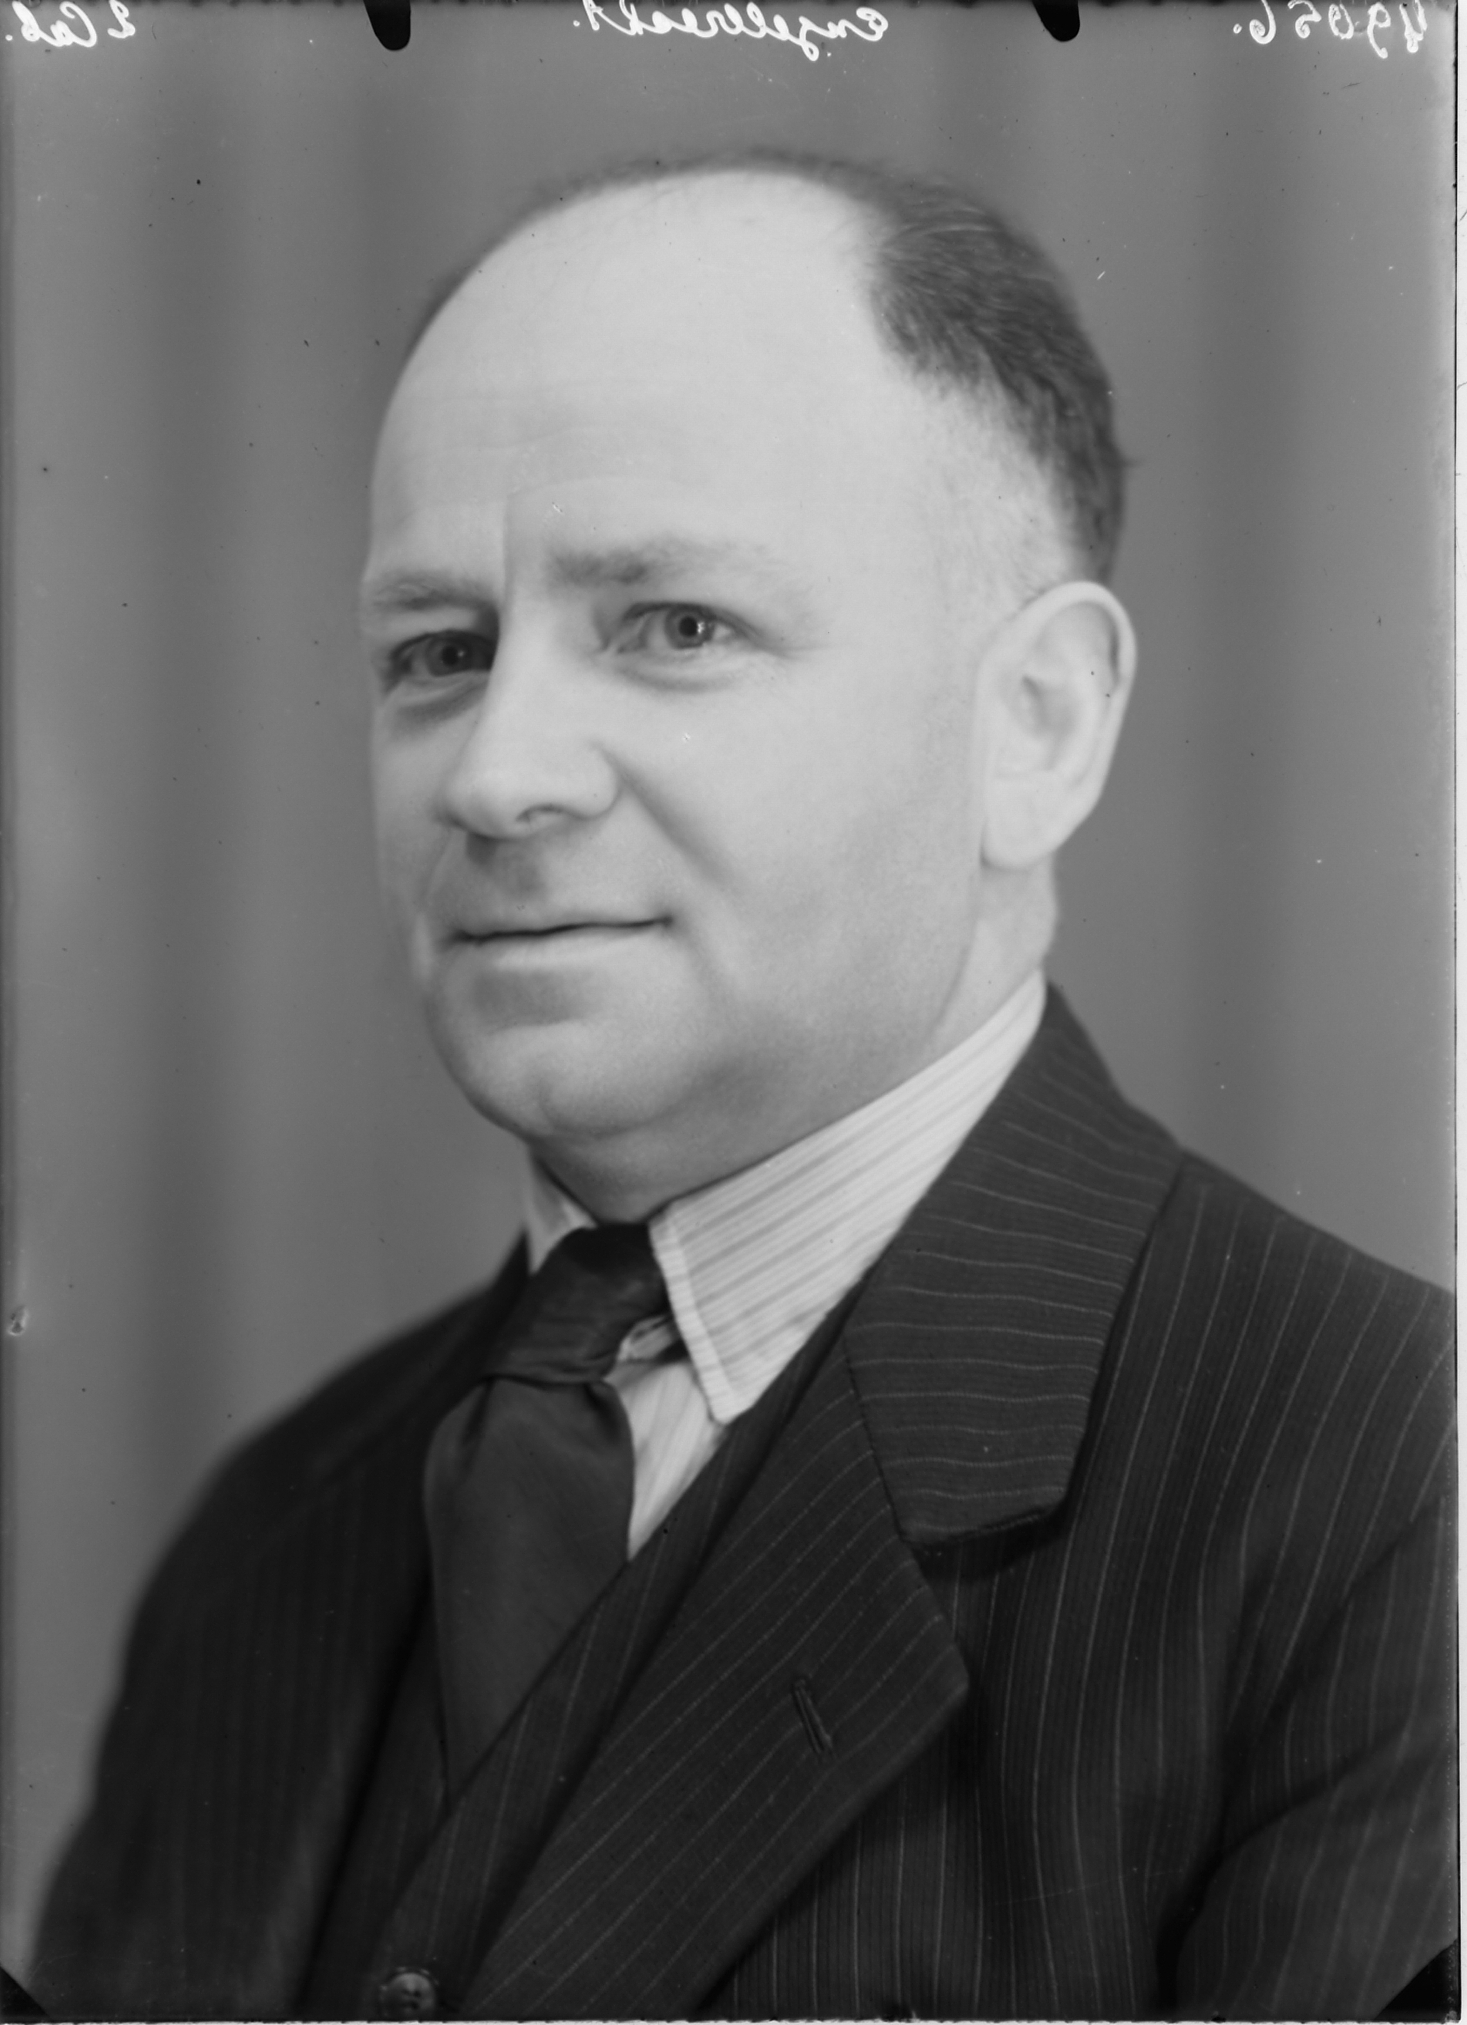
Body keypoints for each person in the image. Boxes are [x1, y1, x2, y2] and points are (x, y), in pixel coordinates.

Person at [31, 150, 1453, 2023]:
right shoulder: (266, 1539)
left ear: (1035, 725)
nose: (497, 775)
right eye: (436, 652)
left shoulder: (1395, 1497)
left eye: (677, 626)